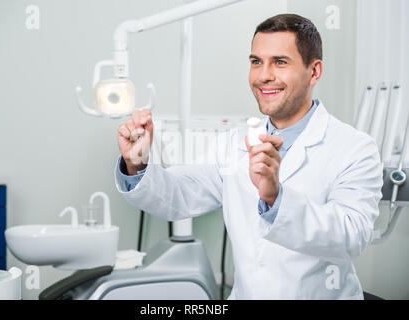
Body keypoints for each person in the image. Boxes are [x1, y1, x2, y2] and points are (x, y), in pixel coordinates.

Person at [114, 14, 383, 299]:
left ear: (314, 72)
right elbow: (177, 195)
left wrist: (275, 199)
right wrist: (137, 163)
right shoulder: (232, 145)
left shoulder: (354, 148)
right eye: (256, 61)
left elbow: (351, 237)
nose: (263, 75)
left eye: (280, 62)